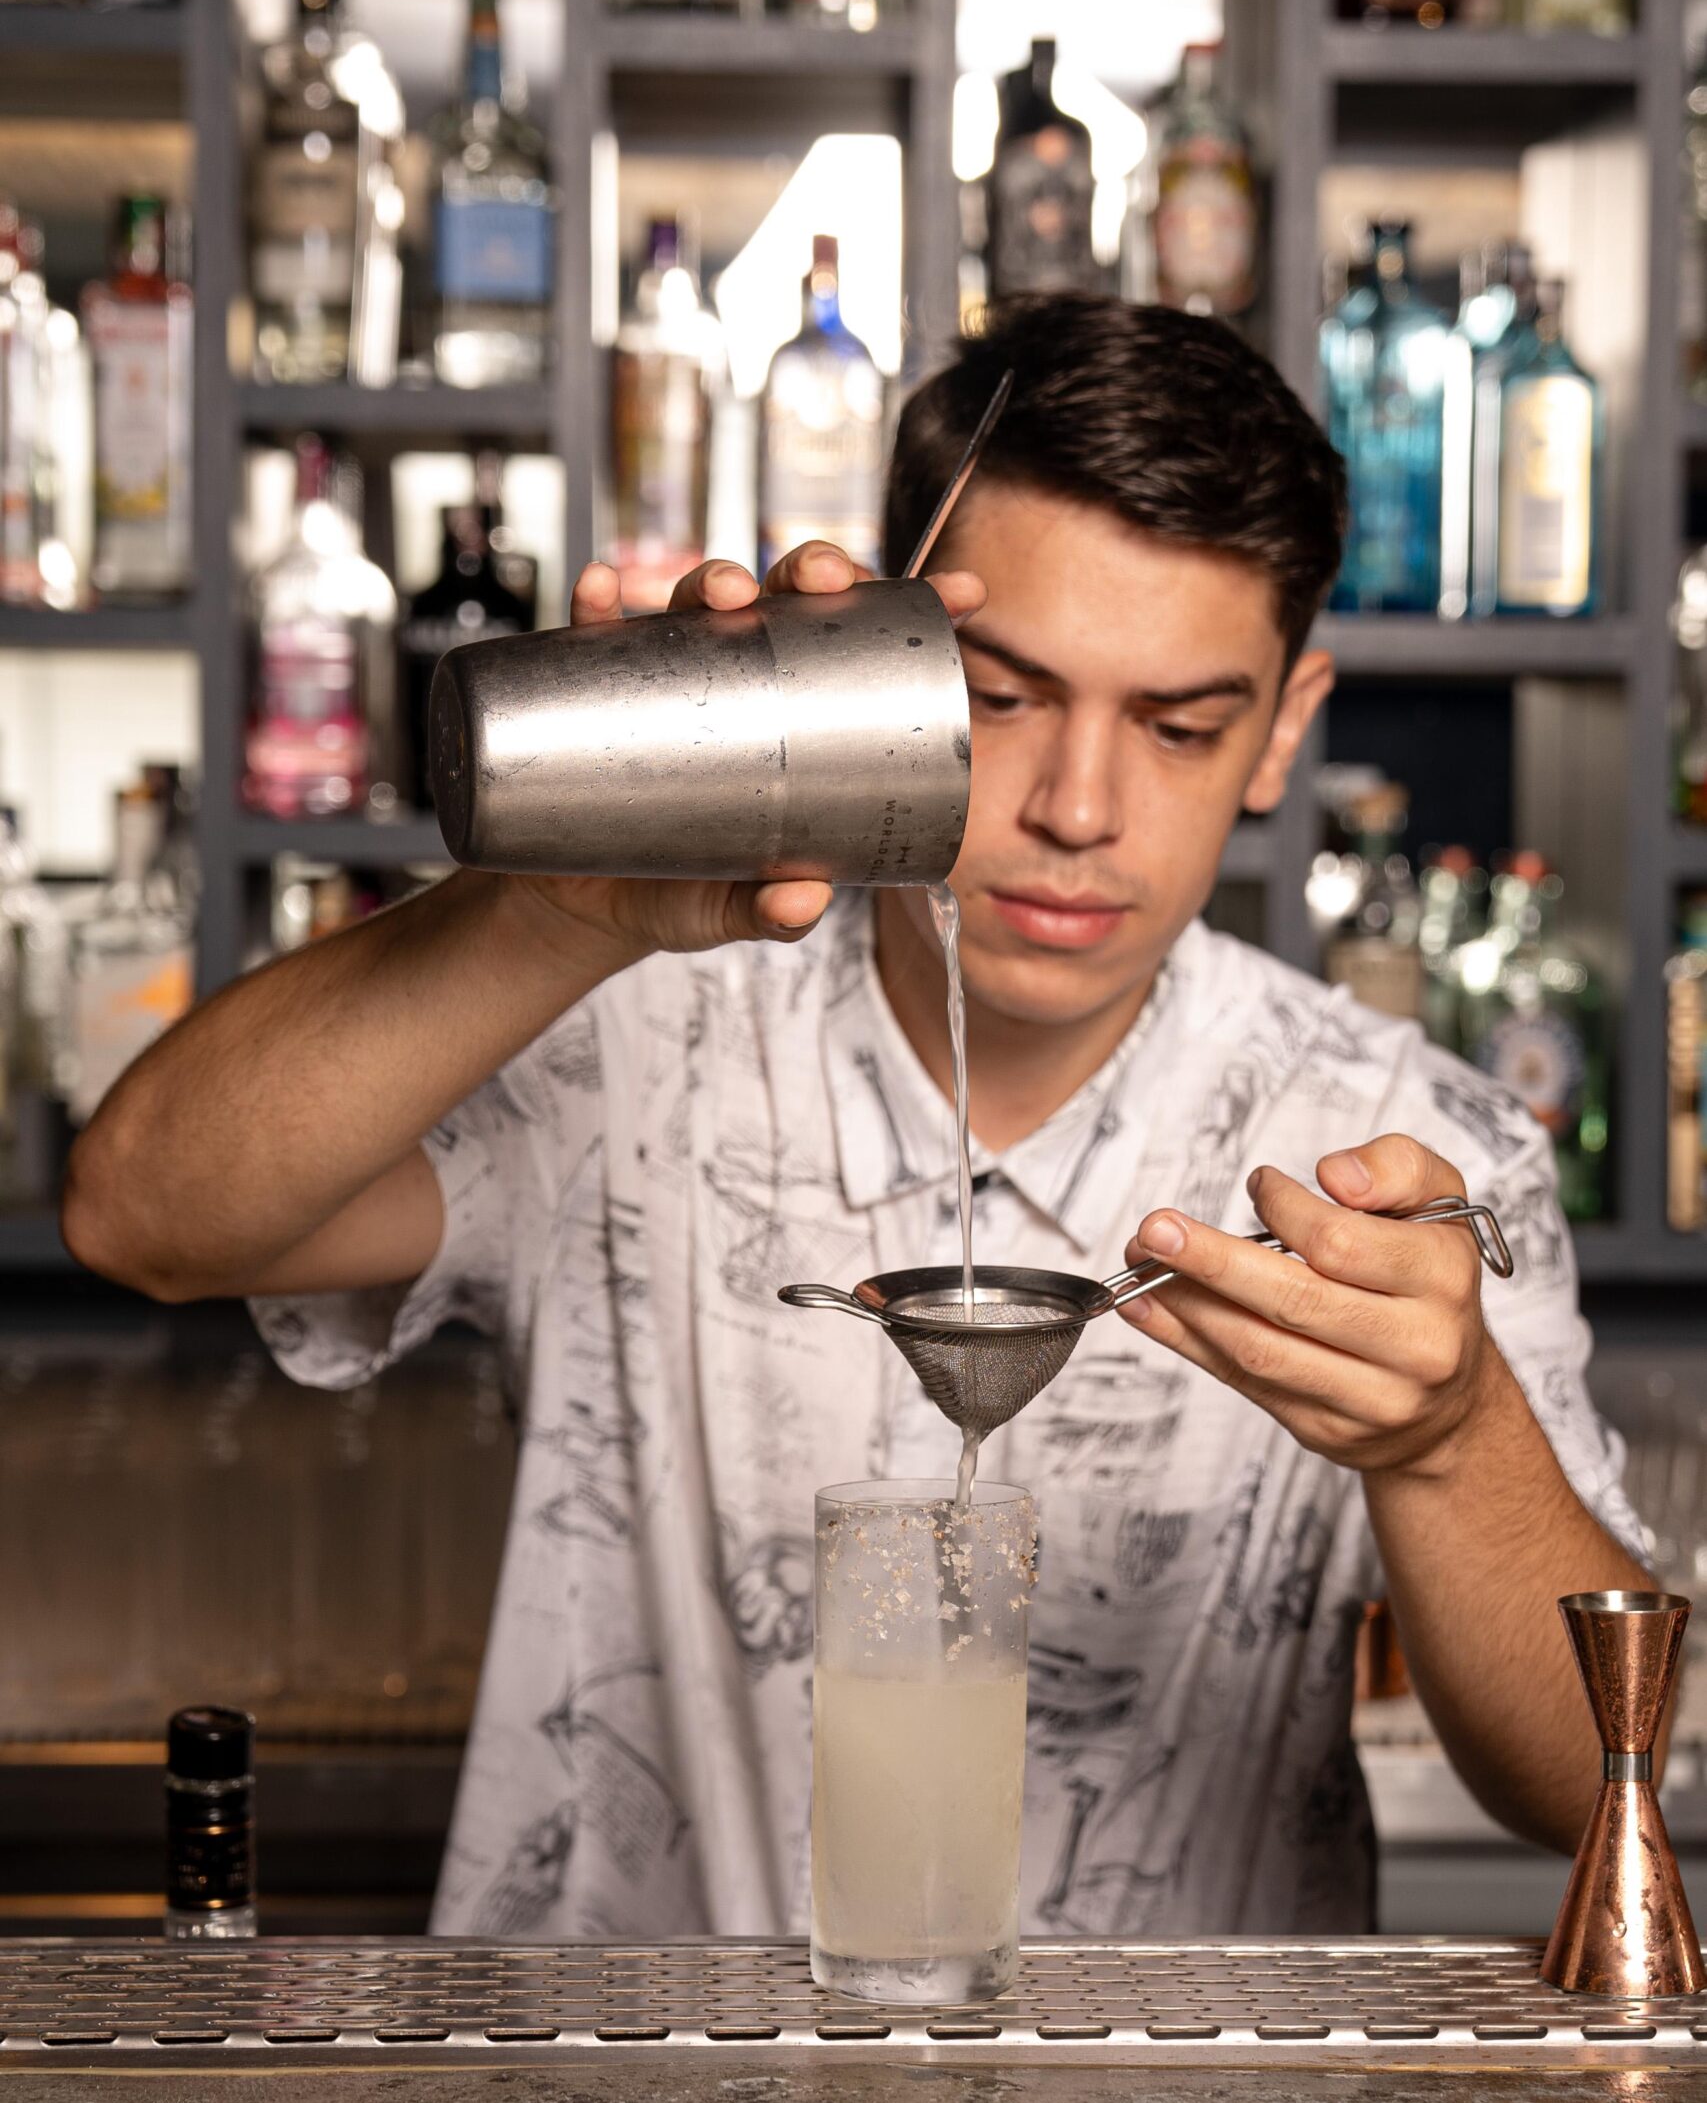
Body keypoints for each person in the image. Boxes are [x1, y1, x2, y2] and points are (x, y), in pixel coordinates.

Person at [65, 296, 1650, 1942]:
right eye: (1004, 696)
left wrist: (1449, 1439)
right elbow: (142, 1217)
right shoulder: (632, 1017)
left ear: (1283, 732)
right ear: (883, 656)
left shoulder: (1407, 1146)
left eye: (1180, 727)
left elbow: (1592, 1781)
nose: (1077, 810)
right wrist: (547, 914)